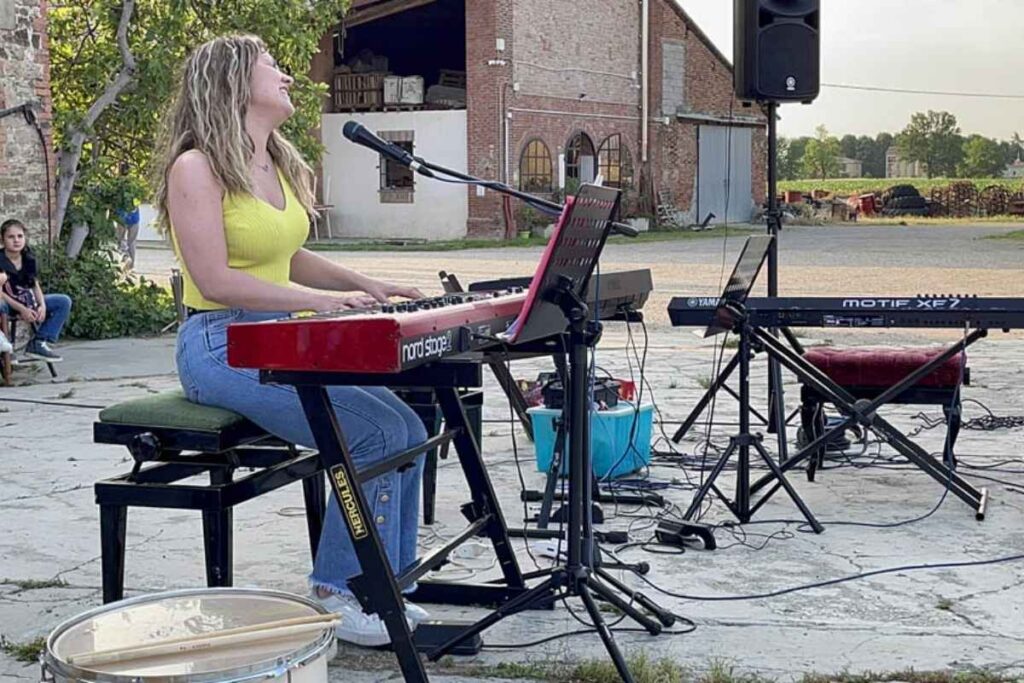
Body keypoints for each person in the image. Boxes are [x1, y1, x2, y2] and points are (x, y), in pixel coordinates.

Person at [152, 34, 428, 647]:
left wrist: (369, 285)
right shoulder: (195, 166)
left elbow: (289, 255)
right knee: (373, 432)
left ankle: (389, 586)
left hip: (277, 338)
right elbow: (216, 280)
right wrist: (325, 304)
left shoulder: (272, 161)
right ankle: (337, 594)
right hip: (219, 345)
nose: (287, 75)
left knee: (406, 428)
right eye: (271, 65)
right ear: (232, 82)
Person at [0, 219, 72, 362]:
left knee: (63, 301)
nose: (16, 240)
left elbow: (34, 284)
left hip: (26, 299)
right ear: (2, 240)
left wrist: (42, 306)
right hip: (7, 302)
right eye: (11, 237)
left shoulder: (28, 257)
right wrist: (22, 309)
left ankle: (38, 342)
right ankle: (7, 350)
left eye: (20, 236)